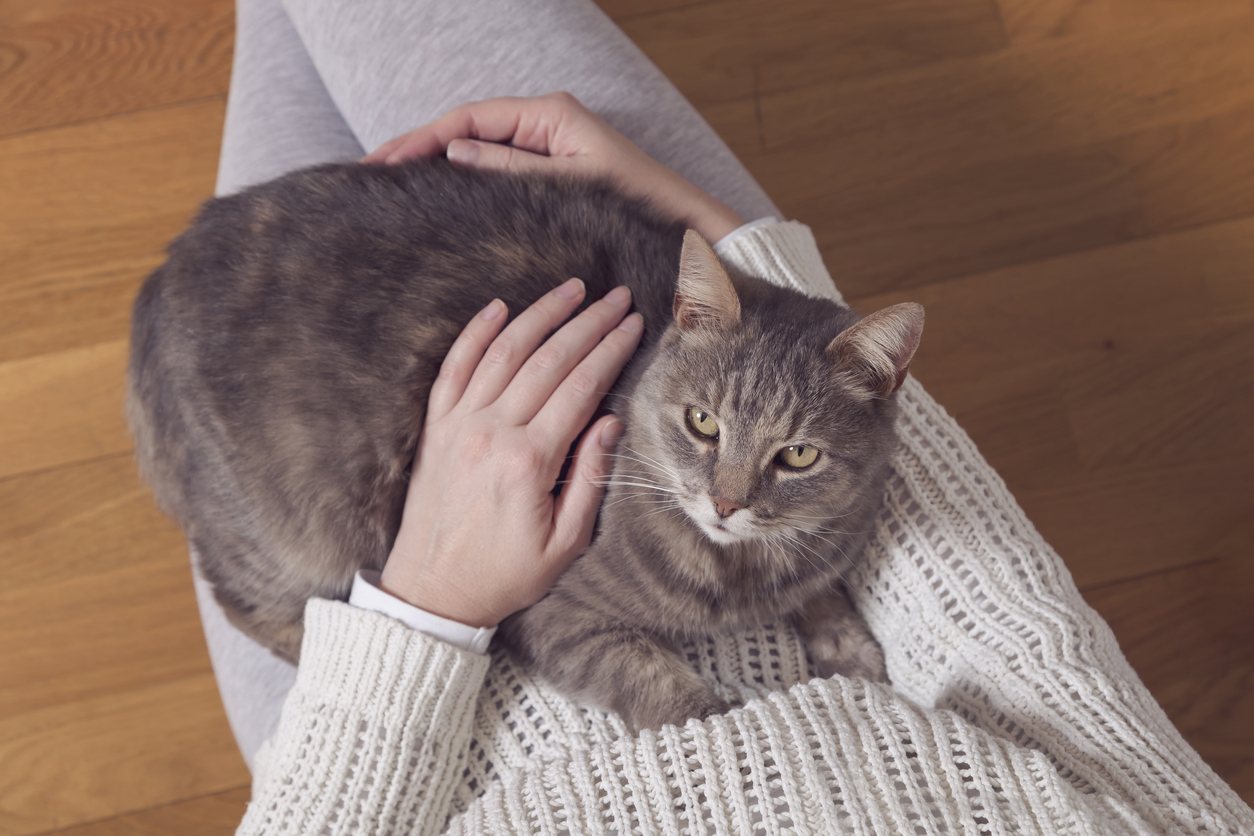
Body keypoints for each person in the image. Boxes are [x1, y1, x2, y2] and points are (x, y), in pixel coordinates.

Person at [200, 0, 1252, 833]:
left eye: (773, 466)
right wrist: (734, 245)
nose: (729, 496)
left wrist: (418, 612)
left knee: (234, 284)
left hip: (387, 670)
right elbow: (1014, 628)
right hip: (689, 313)